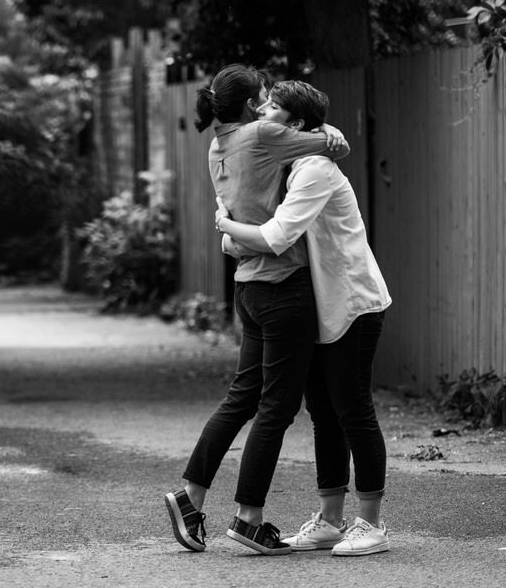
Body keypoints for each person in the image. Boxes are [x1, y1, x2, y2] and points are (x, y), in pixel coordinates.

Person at [163, 65, 350, 556]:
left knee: (243, 397)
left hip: (246, 286)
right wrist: (319, 125)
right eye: (263, 97)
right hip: (285, 285)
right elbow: (336, 145)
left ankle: (191, 494)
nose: (268, 103)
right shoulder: (264, 134)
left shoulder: (217, 145)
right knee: (277, 407)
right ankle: (249, 518)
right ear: (250, 105)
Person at [214, 79, 392, 557]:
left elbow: (274, 236)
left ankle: (371, 524)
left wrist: (226, 227)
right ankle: (331, 520)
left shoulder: (314, 169)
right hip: (317, 305)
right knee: (323, 412)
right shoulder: (287, 161)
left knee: (352, 407)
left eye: (270, 109)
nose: (259, 115)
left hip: (352, 302)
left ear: (292, 124)